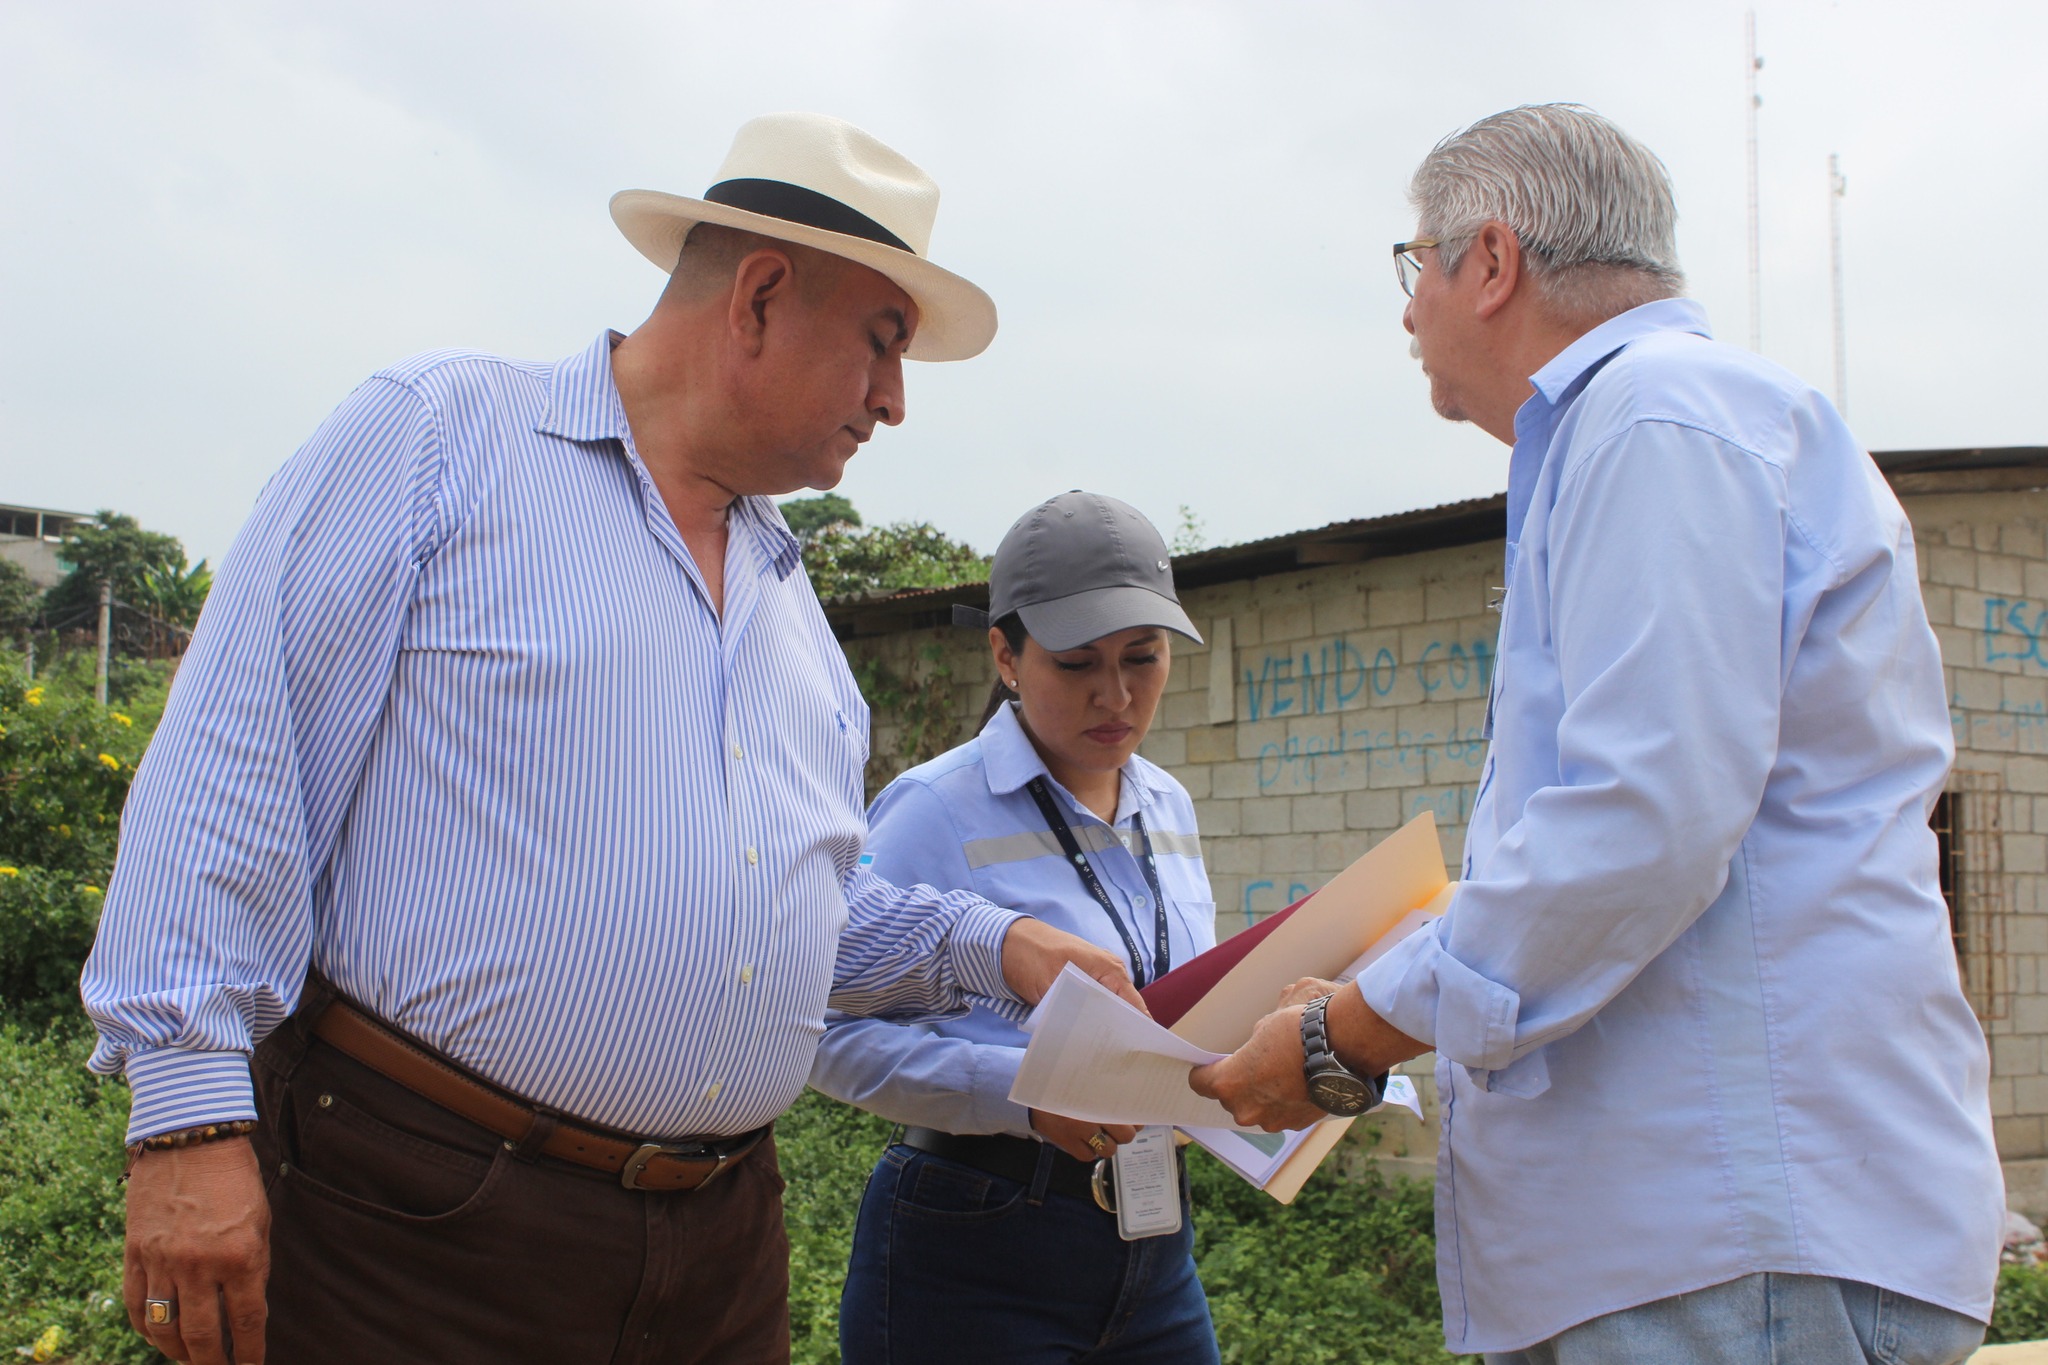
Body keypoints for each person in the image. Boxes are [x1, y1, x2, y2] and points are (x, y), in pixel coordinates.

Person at [79, 113, 1143, 1365]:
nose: (894, 402)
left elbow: (790, 907)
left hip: (715, 1252)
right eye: (882, 340)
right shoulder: (442, 440)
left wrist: (996, 945)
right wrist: (189, 1119)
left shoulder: (789, 608)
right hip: (419, 1218)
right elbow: (237, 767)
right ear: (758, 296)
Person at [1192, 103, 2003, 1364]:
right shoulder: (1654, 428)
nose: (1408, 315)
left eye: (1416, 268)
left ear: (1491, 262)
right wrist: (1369, 997)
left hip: (1724, 1248)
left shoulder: (1654, 418)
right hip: (1702, 1250)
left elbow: (1640, 823)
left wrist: (1341, 1035)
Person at [811, 490, 1220, 1365]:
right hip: (975, 1243)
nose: (1116, 695)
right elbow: (823, 1030)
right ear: (1005, 654)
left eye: (1143, 658)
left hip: (1154, 1242)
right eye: (1075, 664)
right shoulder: (935, 807)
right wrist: (1020, 1096)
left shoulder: (1170, 806)